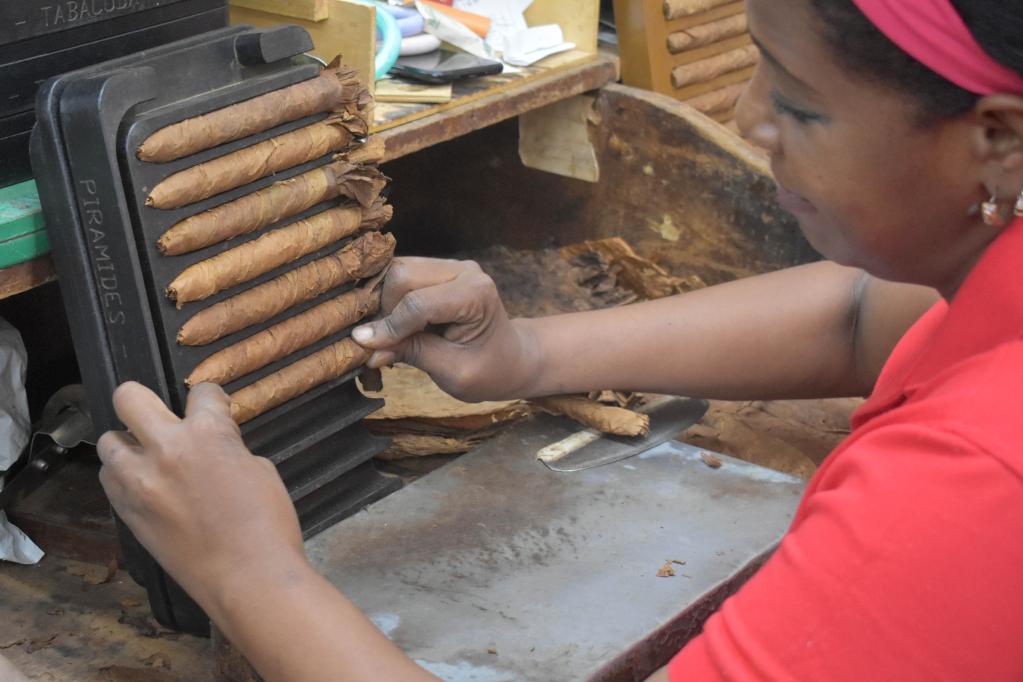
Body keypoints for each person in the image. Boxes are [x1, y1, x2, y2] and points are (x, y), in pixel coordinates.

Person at [90, 0, 1023, 679]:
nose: (746, 120)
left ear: (997, 138)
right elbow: (860, 313)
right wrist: (525, 355)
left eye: (802, 104)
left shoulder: (968, 485)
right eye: (757, 65)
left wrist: (251, 576)